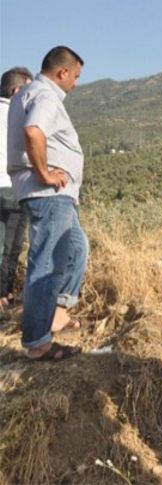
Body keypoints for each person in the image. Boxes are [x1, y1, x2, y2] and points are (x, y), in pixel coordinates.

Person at [7, 46, 87, 361]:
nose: (76, 84)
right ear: (62, 72)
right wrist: (44, 173)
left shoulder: (27, 93)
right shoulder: (45, 94)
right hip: (48, 194)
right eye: (76, 77)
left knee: (77, 248)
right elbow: (33, 131)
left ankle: (57, 314)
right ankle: (37, 343)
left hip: (55, 195)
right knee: (47, 263)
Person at [0, 67, 33, 309]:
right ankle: (4, 294)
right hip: (11, 188)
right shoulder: (17, 113)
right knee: (11, 246)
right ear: (18, 90)